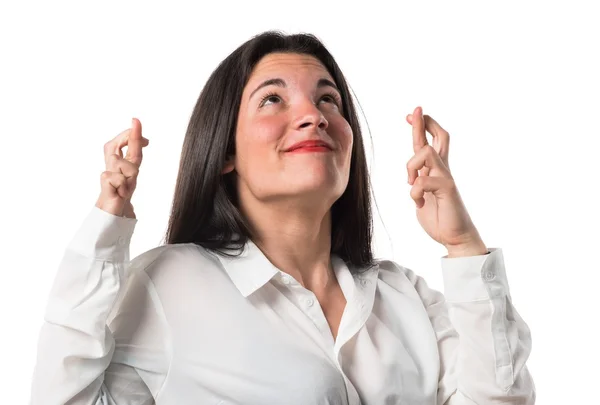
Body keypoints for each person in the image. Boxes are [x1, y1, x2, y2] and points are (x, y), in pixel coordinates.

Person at [30, 31, 536, 404]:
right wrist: (105, 230)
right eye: (273, 98)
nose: (314, 115)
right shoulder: (169, 283)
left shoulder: (405, 297)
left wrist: (463, 244)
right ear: (225, 151)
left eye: (328, 100)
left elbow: (501, 398)